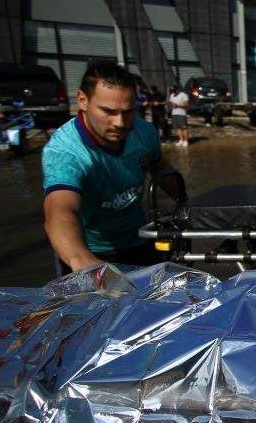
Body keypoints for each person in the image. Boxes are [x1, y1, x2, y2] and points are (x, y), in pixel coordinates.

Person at [42, 61, 184, 274]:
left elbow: (159, 166)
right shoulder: (65, 152)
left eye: (128, 112)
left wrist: (186, 204)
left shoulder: (144, 132)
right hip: (89, 250)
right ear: (82, 100)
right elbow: (60, 211)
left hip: (140, 239)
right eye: (108, 111)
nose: (119, 122)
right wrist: (83, 260)